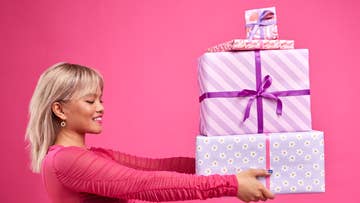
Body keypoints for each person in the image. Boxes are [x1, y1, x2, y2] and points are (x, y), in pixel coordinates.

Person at [25, 62, 275, 203]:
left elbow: (153, 167)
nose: (101, 107)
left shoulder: (88, 155)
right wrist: (230, 184)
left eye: (100, 99)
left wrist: (225, 164)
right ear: (59, 109)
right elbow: (144, 185)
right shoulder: (66, 160)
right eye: (90, 101)